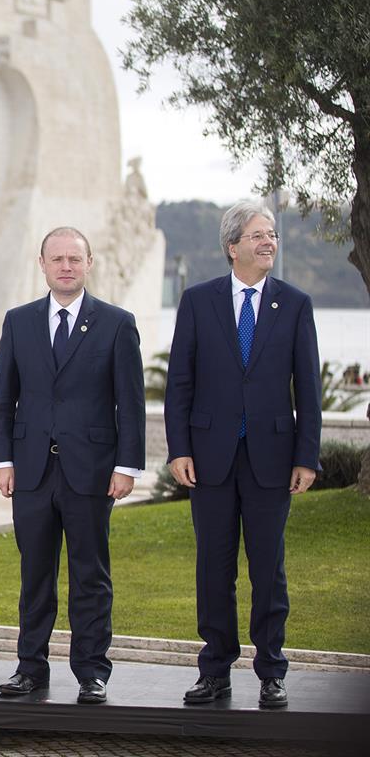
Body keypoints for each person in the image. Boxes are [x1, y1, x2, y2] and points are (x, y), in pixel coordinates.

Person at [165, 200, 320, 709]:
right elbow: (180, 383)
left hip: (273, 459)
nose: (268, 242)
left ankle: (272, 670)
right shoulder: (197, 301)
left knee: (268, 569)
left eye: (272, 234)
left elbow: (310, 389)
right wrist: (179, 449)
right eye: (258, 235)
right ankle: (215, 671)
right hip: (208, 459)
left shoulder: (295, 304)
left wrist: (307, 456)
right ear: (232, 246)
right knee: (213, 568)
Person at [0, 227, 145, 705]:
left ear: (89, 263)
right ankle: (30, 667)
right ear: (42, 265)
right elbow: (5, 397)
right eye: (56, 259)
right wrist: (3, 459)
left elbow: (131, 404)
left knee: (90, 575)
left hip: (92, 472)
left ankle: (92, 671)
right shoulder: (18, 321)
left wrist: (127, 467)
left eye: (74, 259)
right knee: (34, 574)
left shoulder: (117, 324)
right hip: (31, 470)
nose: (65, 267)